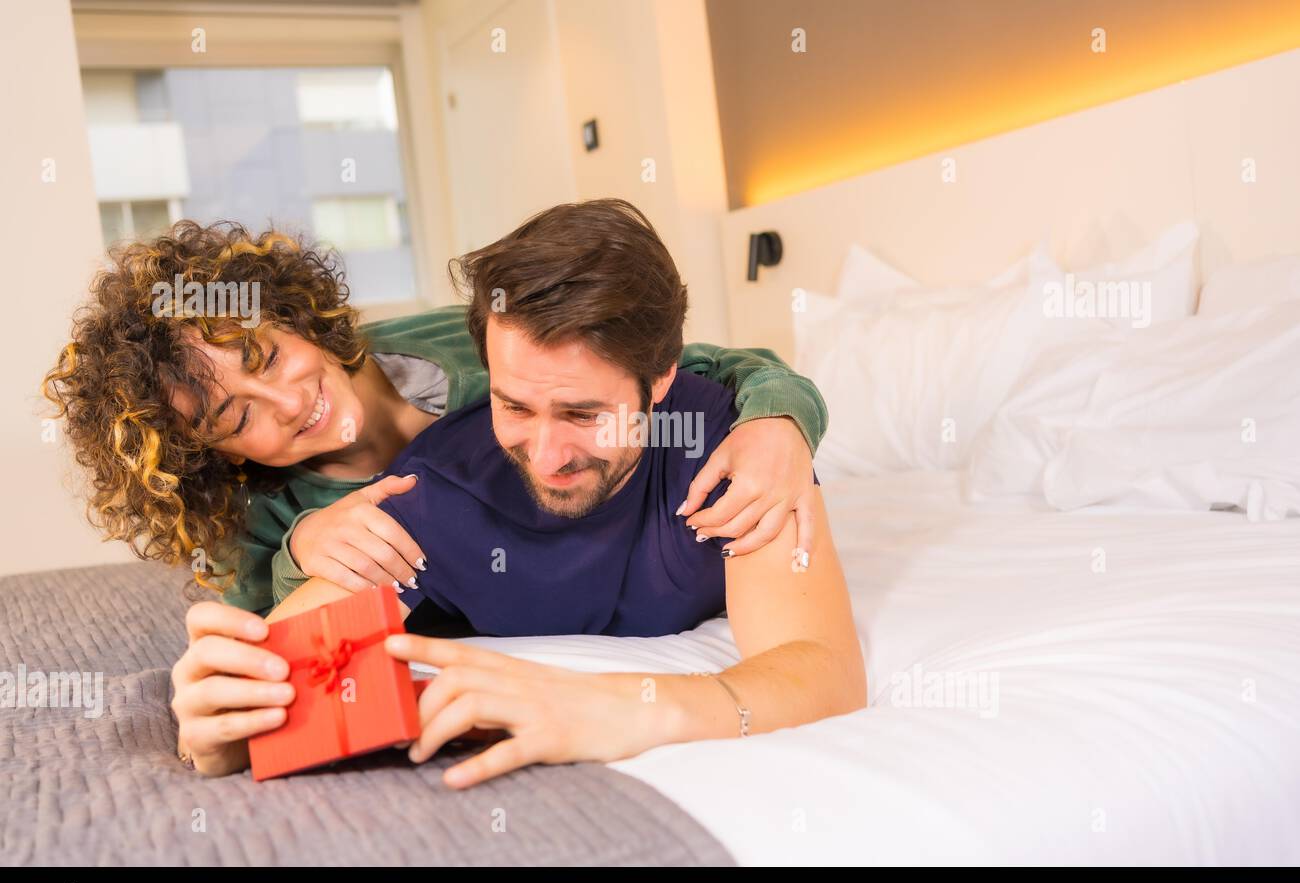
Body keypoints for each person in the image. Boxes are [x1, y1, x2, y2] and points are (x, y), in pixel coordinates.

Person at [186, 199, 866, 784]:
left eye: (583, 415)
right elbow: (269, 695)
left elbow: (821, 672)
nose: (546, 457)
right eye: (513, 407)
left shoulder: (736, 451)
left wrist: (627, 707)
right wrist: (216, 734)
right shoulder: (431, 492)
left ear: (660, 382)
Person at [42, 220, 829, 618]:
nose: (290, 403)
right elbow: (269, 633)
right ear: (208, 455)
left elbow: (711, 365)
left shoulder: (450, 341)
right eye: (235, 416)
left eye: (269, 359)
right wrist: (300, 550)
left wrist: (781, 424)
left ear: (296, 319)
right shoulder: (257, 518)